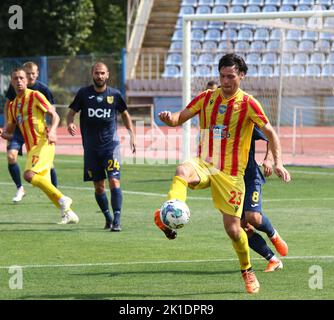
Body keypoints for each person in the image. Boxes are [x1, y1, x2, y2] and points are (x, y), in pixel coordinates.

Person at [154, 53, 291, 294]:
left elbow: (271, 133)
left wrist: (277, 162)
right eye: (222, 76)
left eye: (230, 76)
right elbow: (179, 118)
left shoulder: (248, 104)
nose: (226, 81)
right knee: (182, 170)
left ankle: (247, 271)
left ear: (241, 76)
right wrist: (168, 118)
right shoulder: (206, 98)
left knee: (234, 230)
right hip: (206, 163)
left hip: (231, 176)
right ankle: (171, 211)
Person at [1, 68, 78, 224]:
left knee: (28, 175)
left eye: (22, 78)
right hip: (32, 148)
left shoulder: (35, 95)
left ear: (27, 81)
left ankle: (64, 200)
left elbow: (54, 115)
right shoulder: (13, 106)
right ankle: (68, 214)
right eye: (15, 78)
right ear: (12, 82)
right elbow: (10, 133)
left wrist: (54, 131)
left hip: (43, 143)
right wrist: (3, 134)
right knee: (46, 186)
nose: (19, 81)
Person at [67, 62, 136, 232]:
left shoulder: (115, 94)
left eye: (102, 73)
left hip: (110, 146)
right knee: (99, 186)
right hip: (91, 149)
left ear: (108, 75)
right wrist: (69, 123)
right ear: (92, 74)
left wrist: (132, 134)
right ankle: (108, 218)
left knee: (114, 180)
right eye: (97, 73)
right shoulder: (84, 94)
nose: (100, 76)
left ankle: (118, 220)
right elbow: (71, 113)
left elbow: (125, 114)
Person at [4, 61, 58, 203]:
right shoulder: (15, 89)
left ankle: (57, 193)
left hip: (37, 133)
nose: (28, 77)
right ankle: (20, 188)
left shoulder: (40, 91)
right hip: (18, 130)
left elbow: (52, 111)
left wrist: (52, 130)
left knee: (47, 166)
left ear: (36, 74)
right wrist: (5, 129)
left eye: (32, 74)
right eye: (27, 74)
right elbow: (8, 105)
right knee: (11, 156)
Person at [241, 126, 288, 273]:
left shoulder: (242, 120)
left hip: (251, 178)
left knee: (253, 216)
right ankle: (273, 260)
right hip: (230, 183)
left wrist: (269, 160)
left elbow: (270, 137)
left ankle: (273, 234)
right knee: (241, 227)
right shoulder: (216, 127)